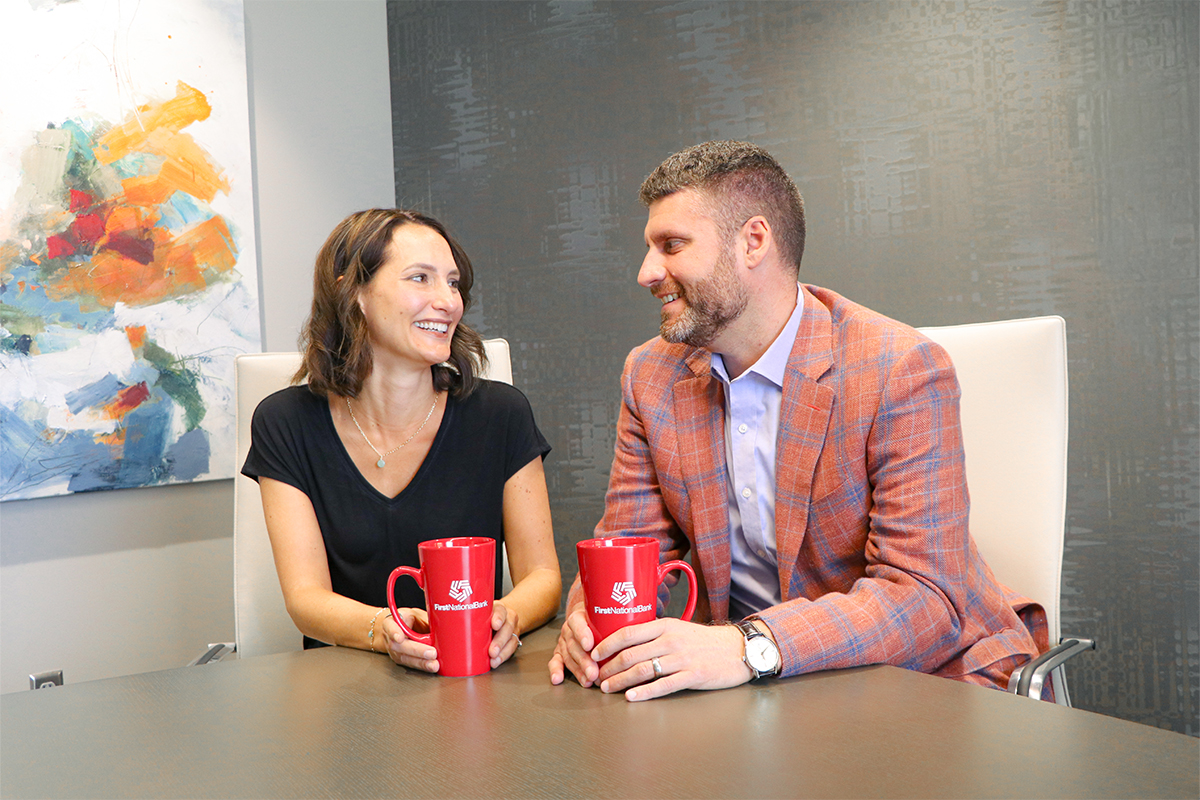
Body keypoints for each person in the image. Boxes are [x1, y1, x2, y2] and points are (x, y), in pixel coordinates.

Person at [548, 141, 1048, 701]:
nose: (646, 272)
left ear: (753, 241)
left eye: (672, 245)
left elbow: (923, 598)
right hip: (756, 693)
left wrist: (748, 647)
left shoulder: (900, 368)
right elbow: (627, 549)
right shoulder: (651, 375)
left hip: (925, 674)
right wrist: (592, 621)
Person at [243, 208, 561, 673]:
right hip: (343, 688)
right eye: (420, 278)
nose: (448, 301)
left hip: (474, 675)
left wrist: (506, 615)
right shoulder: (285, 423)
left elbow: (542, 576)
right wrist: (385, 629)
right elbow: (305, 598)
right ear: (353, 293)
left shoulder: (501, 414)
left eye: (453, 283)